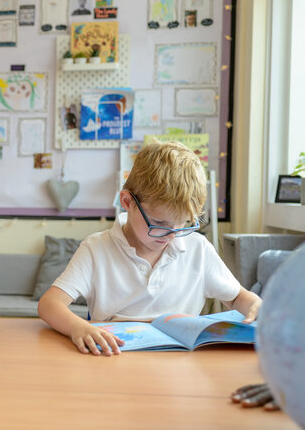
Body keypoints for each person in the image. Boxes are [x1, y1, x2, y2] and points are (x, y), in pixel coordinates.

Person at [38, 141, 262, 356]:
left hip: (180, 362)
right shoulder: (96, 249)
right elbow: (50, 304)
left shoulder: (198, 248)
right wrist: (78, 327)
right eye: (159, 223)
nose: (172, 235)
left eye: (183, 223)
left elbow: (236, 298)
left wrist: (255, 304)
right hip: (114, 357)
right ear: (127, 202)